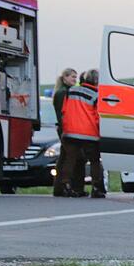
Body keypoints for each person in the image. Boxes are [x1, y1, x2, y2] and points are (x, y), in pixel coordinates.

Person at [59, 69, 106, 198]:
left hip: (70, 132)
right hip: (89, 133)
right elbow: (98, 116)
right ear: (97, 81)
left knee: (70, 159)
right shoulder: (96, 95)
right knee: (95, 160)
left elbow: (64, 110)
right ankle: (96, 187)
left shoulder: (71, 91)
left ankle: (66, 186)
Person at [51, 67, 78, 197]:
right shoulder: (63, 93)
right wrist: (66, 128)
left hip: (64, 128)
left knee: (63, 157)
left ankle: (58, 187)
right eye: (72, 77)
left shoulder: (64, 91)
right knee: (68, 157)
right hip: (65, 128)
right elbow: (62, 113)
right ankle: (64, 185)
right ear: (65, 77)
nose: (75, 79)